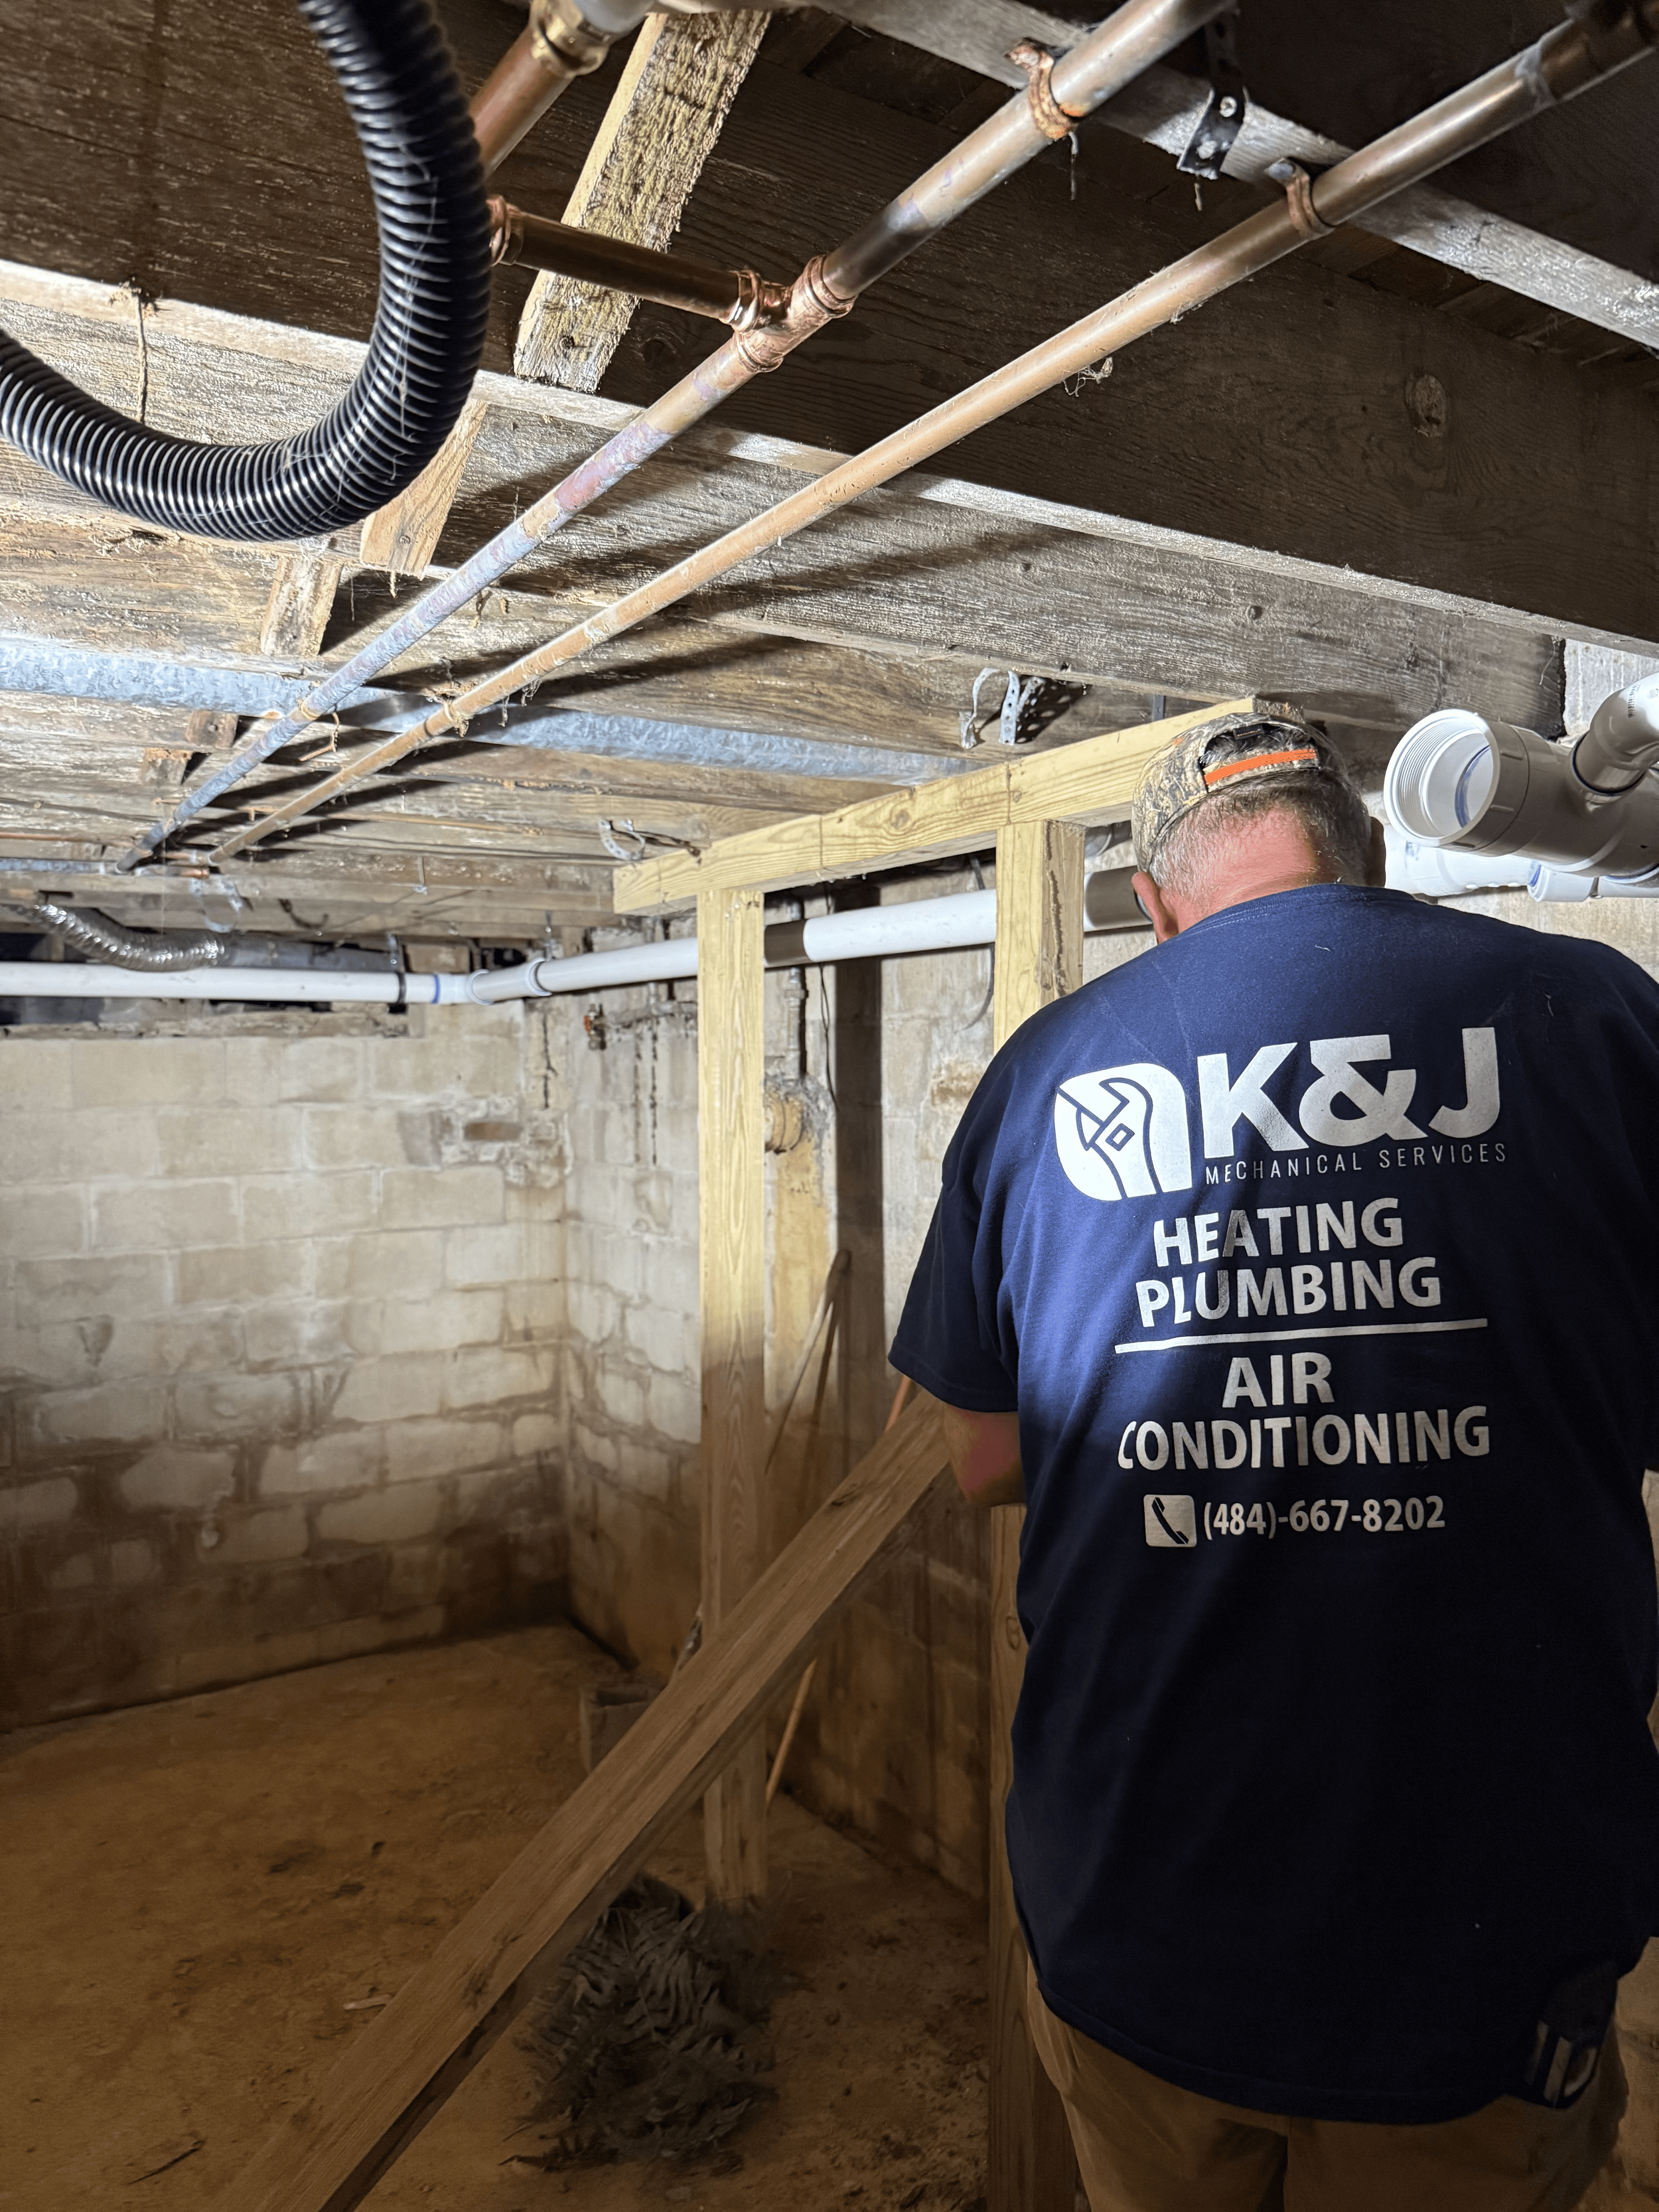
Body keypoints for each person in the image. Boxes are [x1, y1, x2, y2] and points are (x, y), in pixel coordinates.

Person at [889, 711, 1659, 2211]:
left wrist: (1197, 1433)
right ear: (1367, 857)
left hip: (1137, 1921)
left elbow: (983, 1460)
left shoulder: (1042, 1075)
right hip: (1476, 1966)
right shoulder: (1592, 1015)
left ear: (1156, 902)